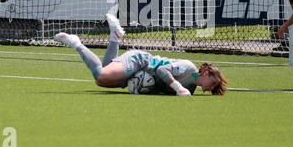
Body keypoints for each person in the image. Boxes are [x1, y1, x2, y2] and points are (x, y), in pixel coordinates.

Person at [54, 14, 227, 96]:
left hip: (139, 75)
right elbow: (162, 71)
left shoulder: (190, 88)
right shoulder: (188, 67)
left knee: (102, 80)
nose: (211, 87)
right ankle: (76, 43)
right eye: (212, 82)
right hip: (141, 61)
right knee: (101, 75)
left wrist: (140, 86)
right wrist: (177, 87)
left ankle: (115, 36)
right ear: (205, 72)